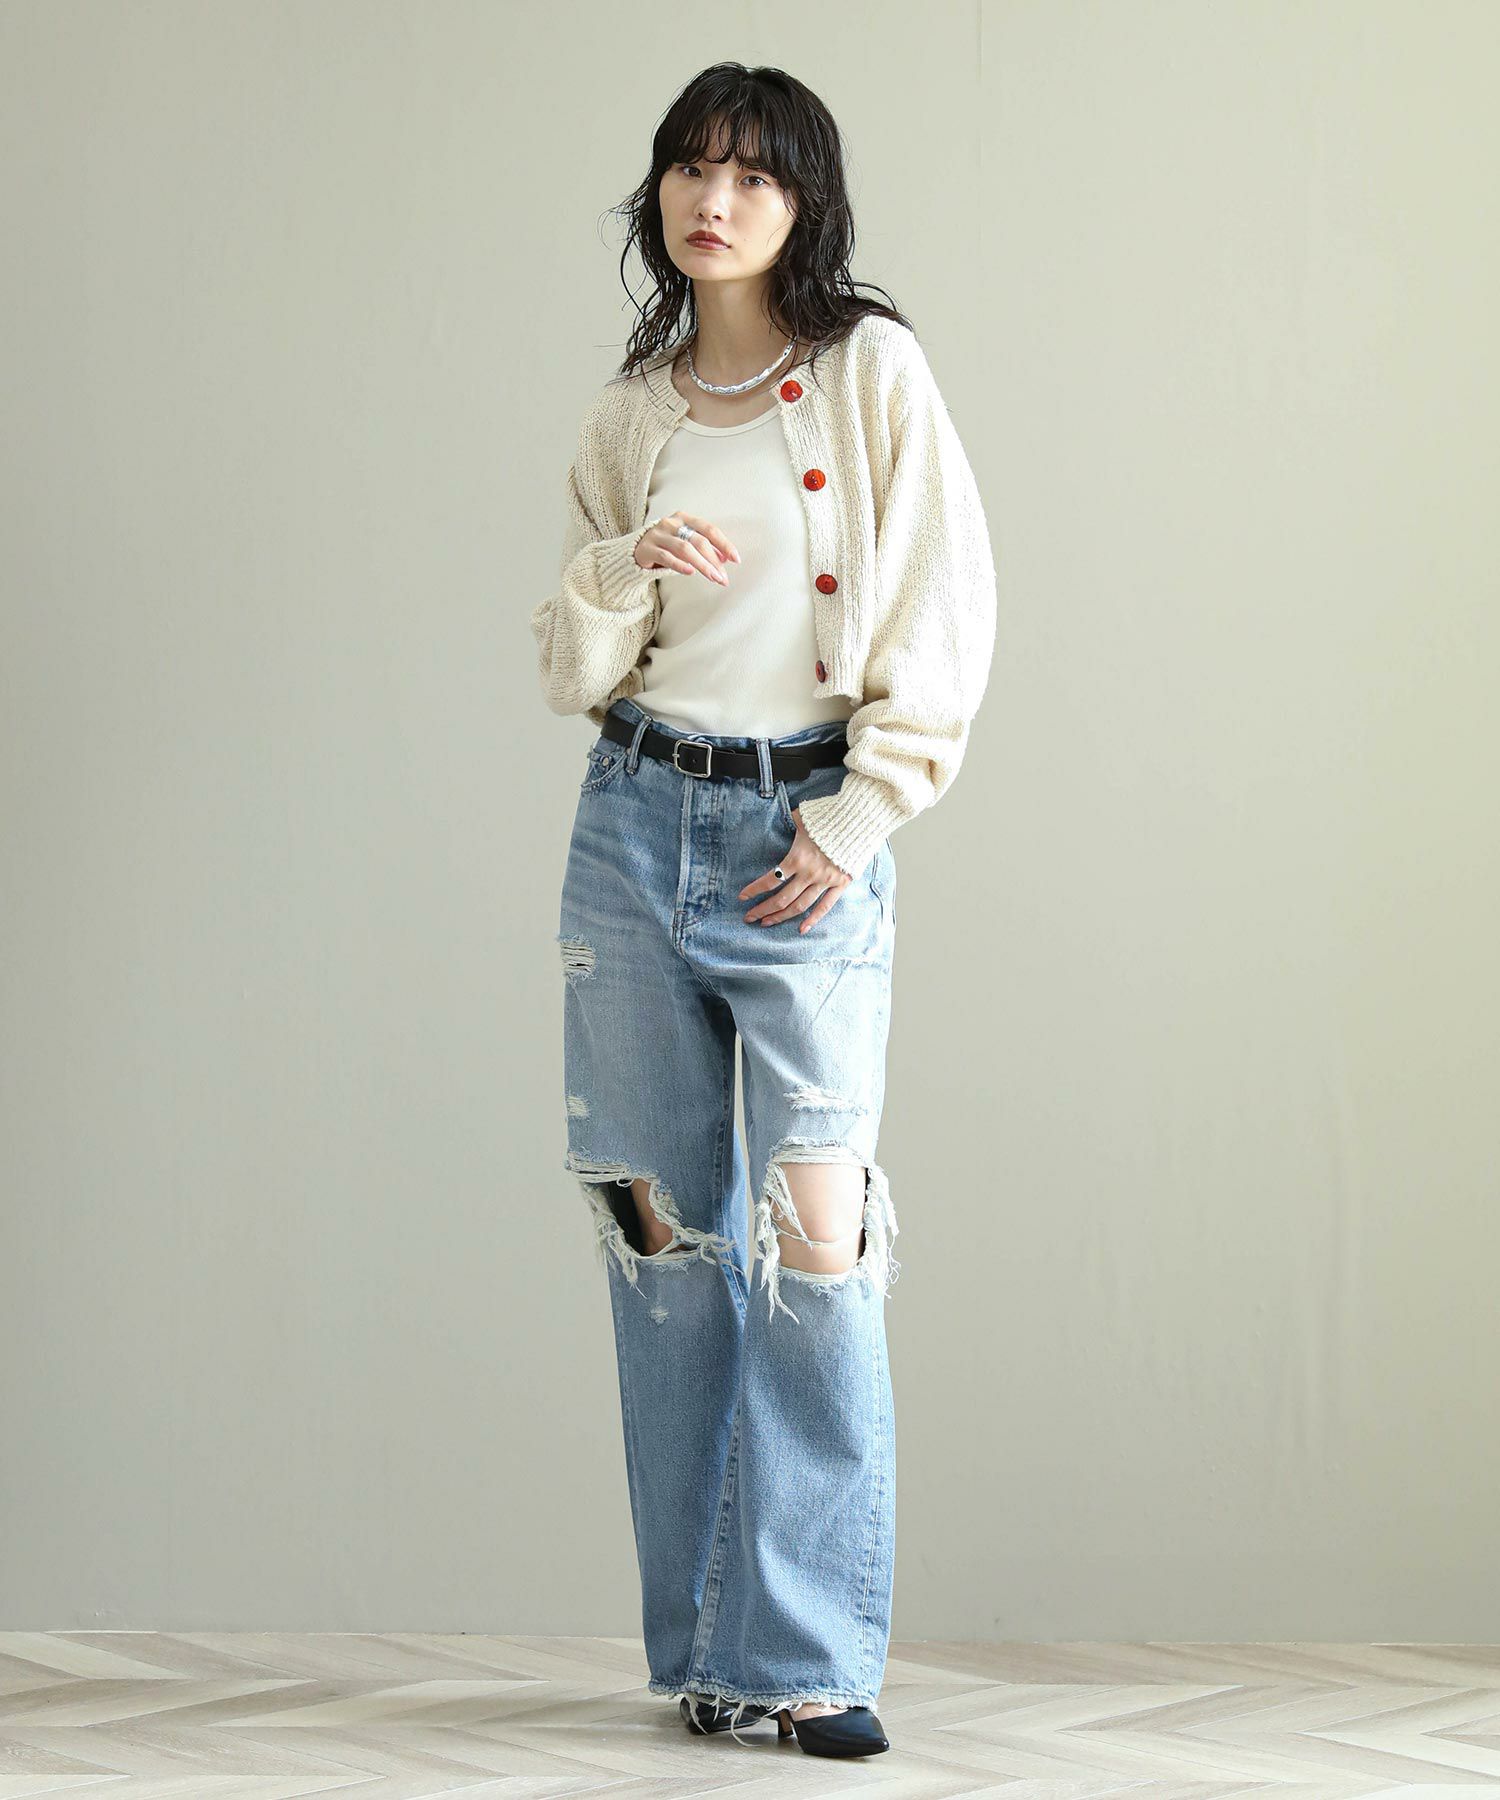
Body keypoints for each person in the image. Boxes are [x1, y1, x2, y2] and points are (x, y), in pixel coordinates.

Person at [529, 62, 997, 1761]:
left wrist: (863, 814)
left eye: (750, 175)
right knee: (664, 1244)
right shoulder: (633, 411)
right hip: (632, 829)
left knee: (817, 1231)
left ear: (804, 204)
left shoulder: (871, 372)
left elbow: (945, 602)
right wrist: (626, 568)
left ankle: (809, 1658)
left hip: (801, 838)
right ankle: (709, 1658)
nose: (712, 200)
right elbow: (569, 664)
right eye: (688, 169)